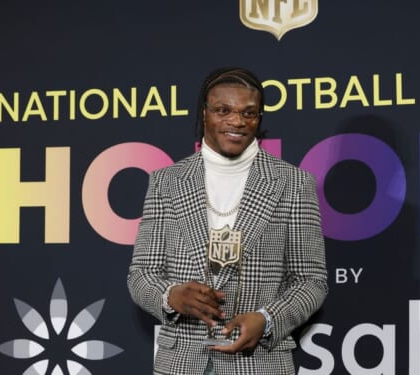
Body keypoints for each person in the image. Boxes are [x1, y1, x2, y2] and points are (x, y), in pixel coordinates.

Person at [127, 67, 328, 375]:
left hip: (260, 363)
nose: (237, 121)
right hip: (181, 365)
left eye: (249, 113)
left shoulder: (293, 183)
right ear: (204, 113)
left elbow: (311, 281)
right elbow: (141, 275)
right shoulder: (166, 182)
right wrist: (172, 296)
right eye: (223, 110)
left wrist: (267, 318)